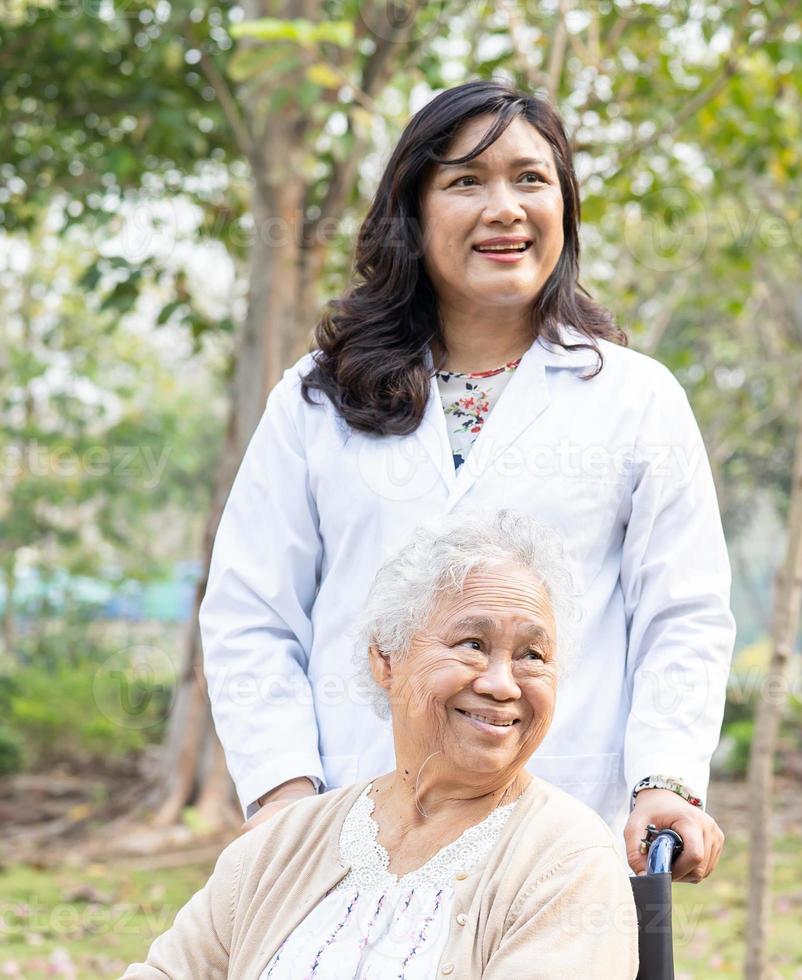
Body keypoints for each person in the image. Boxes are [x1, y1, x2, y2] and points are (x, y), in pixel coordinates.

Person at [200, 79, 734, 881]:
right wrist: (283, 790)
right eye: (465, 181)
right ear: (413, 214)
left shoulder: (636, 399)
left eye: (530, 179)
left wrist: (663, 780)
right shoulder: (317, 398)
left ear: (564, 208)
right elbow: (252, 608)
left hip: (562, 825)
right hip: (348, 820)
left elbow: (683, 614)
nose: (505, 208)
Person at [126, 510, 638, 977]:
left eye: (532, 655)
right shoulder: (284, 843)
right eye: (472, 645)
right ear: (386, 661)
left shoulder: (565, 861)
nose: (503, 685)